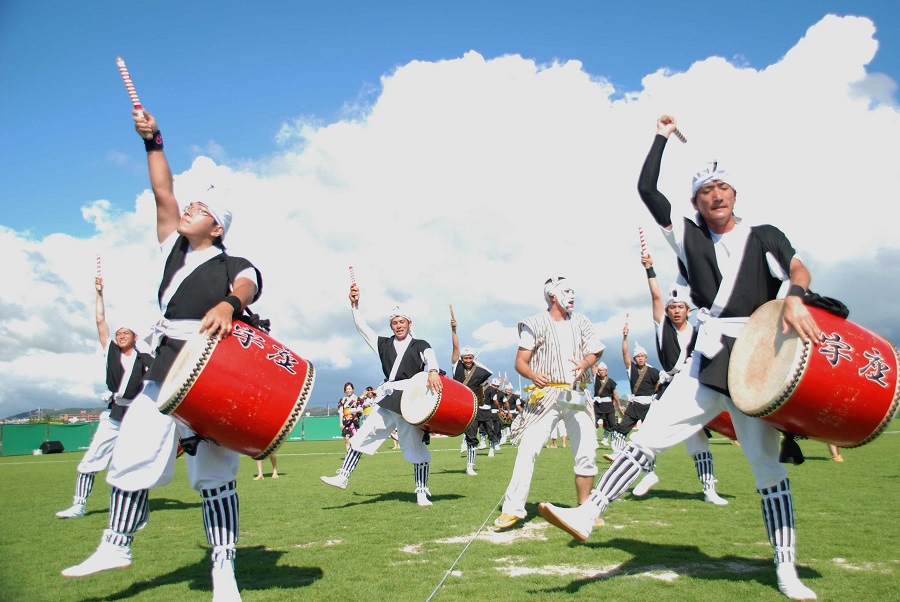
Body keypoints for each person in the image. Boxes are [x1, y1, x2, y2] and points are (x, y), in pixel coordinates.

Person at [539, 115, 822, 601]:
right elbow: (647, 190)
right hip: (707, 361)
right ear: (696, 202)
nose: (716, 195)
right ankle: (588, 512)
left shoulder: (765, 235)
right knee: (647, 437)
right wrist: (661, 137)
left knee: (767, 471)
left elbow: (798, 268)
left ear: (734, 194)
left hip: (756, 362)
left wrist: (794, 297)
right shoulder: (689, 238)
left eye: (722, 187)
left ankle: (785, 567)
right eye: (706, 190)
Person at [62, 107, 262, 602]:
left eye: (201, 209)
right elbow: (163, 192)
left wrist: (229, 304)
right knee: (132, 451)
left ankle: (224, 571)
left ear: (217, 228)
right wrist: (153, 141)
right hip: (166, 368)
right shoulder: (172, 249)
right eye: (191, 205)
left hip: (214, 374)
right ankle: (116, 544)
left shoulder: (233, 263)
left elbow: (249, 283)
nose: (189, 208)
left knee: (214, 477)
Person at [494, 277, 604, 529]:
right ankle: (513, 509)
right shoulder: (534, 324)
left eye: (573, 291)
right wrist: (533, 375)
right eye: (566, 291)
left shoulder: (581, 321)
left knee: (587, 451)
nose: (572, 296)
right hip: (546, 394)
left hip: (575, 392)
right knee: (528, 449)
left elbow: (595, 350)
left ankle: (584, 509)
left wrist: (586, 362)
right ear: (552, 295)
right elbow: (520, 361)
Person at [320, 284, 442, 506]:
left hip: (410, 401)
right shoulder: (384, 344)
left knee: (415, 447)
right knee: (362, 436)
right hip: (387, 399)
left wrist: (433, 370)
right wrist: (355, 306)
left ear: (409, 323)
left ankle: (421, 491)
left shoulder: (420, 344)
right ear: (391, 325)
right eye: (395, 323)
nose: (398, 326)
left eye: (402, 322)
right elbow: (363, 328)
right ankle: (343, 477)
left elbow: (430, 356)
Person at [629, 252, 728, 505]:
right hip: (667, 388)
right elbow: (655, 296)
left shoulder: (698, 331)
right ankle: (648, 474)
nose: (675, 311)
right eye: (672, 307)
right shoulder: (662, 326)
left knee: (698, 441)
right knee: (647, 433)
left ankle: (709, 489)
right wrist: (649, 269)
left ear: (688, 310)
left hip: (692, 388)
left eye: (680, 307)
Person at [55, 276, 153, 519]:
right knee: (92, 460)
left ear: (135, 336)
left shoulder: (145, 357)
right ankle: (79, 505)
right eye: (118, 333)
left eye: (126, 332)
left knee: (135, 463)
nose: (120, 335)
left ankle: (136, 504)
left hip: (137, 416)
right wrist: (99, 293)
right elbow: (100, 320)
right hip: (114, 415)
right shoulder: (110, 351)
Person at [601, 327, 660, 460]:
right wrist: (625, 337)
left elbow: (658, 387)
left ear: (646, 357)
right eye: (638, 356)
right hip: (634, 405)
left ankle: (649, 459)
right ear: (635, 358)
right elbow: (625, 352)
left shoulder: (654, 372)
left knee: (650, 434)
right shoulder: (631, 368)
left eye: (642, 356)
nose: (640, 358)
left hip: (649, 405)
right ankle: (617, 454)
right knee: (620, 430)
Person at [450, 316, 493, 476]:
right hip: (456, 405)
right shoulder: (456, 366)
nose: (468, 360)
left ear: (473, 358)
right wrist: (454, 330)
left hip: (471, 407)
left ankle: (470, 465)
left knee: (472, 435)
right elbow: (455, 347)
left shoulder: (480, 372)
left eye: (470, 358)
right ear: (461, 359)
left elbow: (481, 387)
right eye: (465, 358)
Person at [591, 362, 621, 446]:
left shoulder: (611, 381)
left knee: (611, 423)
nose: (602, 372)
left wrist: (619, 404)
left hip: (608, 405)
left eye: (603, 370)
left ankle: (611, 440)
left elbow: (615, 394)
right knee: (593, 421)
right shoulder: (596, 379)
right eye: (600, 370)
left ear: (606, 371)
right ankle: (593, 438)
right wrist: (594, 363)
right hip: (598, 405)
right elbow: (592, 369)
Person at [337, 382, 364, 453]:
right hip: (345, 421)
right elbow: (341, 412)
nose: (348, 390)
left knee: (354, 439)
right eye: (346, 389)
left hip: (354, 421)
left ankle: (354, 453)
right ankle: (348, 454)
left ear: (353, 389)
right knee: (346, 439)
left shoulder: (357, 399)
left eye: (349, 389)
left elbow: (360, 409)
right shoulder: (342, 400)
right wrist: (340, 423)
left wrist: (352, 411)